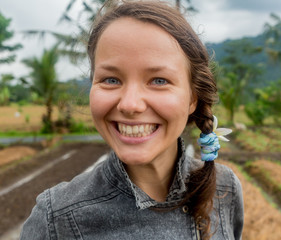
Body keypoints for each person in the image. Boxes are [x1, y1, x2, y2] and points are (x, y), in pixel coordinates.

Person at [20, 1, 244, 239]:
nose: (130, 105)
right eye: (111, 80)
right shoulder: (56, 219)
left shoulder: (225, 188)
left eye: (158, 80)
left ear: (192, 99)